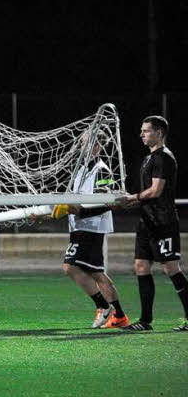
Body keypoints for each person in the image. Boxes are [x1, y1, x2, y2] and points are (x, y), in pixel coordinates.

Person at [109, 116, 186, 331]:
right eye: (142, 131)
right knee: (141, 266)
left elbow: (155, 191)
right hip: (146, 222)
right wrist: (129, 204)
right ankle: (145, 321)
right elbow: (147, 195)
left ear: (159, 133)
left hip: (163, 222)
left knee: (171, 268)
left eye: (146, 131)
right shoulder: (148, 159)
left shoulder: (164, 157)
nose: (142, 135)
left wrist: (131, 199)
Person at [54, 132, 129, 328]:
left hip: (92, 228)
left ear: (96, 147)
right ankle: (119, 315)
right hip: (79, 227)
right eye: (80, 143)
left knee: (70, 267)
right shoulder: (79, 170)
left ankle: (104, 307)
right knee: (95, 272)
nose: (80, 146)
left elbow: (109, 203)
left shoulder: (101, 170)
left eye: (85, 143)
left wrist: (80, 212)